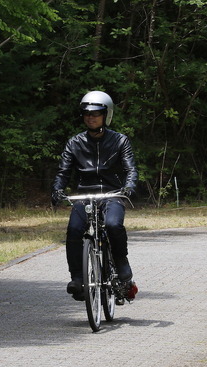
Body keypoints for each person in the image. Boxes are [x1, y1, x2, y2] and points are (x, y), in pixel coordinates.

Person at [51, 90, 139, 302]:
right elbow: (63, 172)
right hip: (85, 195)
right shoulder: (74, 143)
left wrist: (128, 187)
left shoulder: (120, 141)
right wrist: (57, 189)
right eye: (86, 113)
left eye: (96, 113)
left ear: (106, 115)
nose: (90, 117)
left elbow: (131, 169)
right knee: (73, 229)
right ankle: (77, 279)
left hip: (113, 194)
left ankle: (121, 263)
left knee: (113, 225)